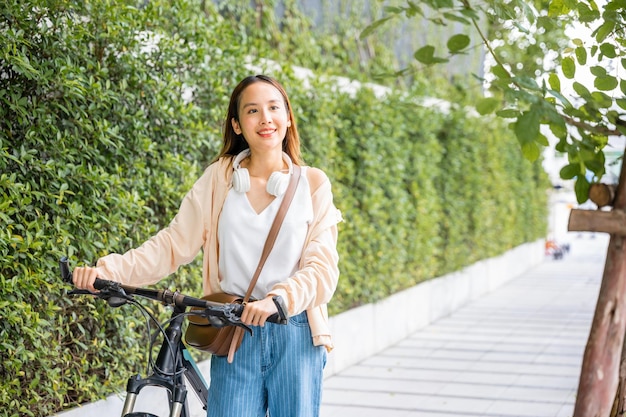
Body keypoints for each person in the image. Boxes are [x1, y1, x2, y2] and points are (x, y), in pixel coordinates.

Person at [72, 74, 342, 417]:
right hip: (232, 328)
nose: (265, 118)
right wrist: (106, 272)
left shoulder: (313, 184)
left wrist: (279, 299)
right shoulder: (219, 179)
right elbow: (171, 244)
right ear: (237, 124)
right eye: (252, 110)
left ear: (288, 117)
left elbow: (322, 269)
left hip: (294, 331)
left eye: (274, 108)